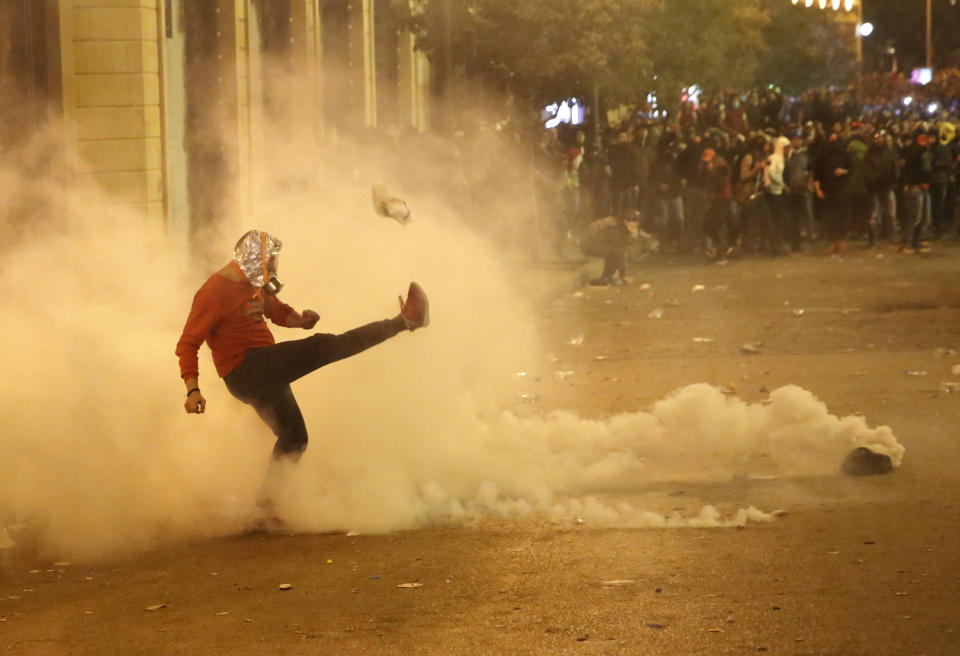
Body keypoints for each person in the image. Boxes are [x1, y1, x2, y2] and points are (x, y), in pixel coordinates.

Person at [176, 230, 430, 527]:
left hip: (264, 370)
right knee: (323, 347)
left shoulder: (253, 285)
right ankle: (404, 321)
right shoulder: (213, 292)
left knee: (295, 438)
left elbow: (275, 310)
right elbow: (187, 344)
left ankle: (263, 513)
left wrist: (300, 320)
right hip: (247, 369)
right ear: (253, 260)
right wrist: (192, 389)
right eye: (269, 261)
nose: (273, 268)